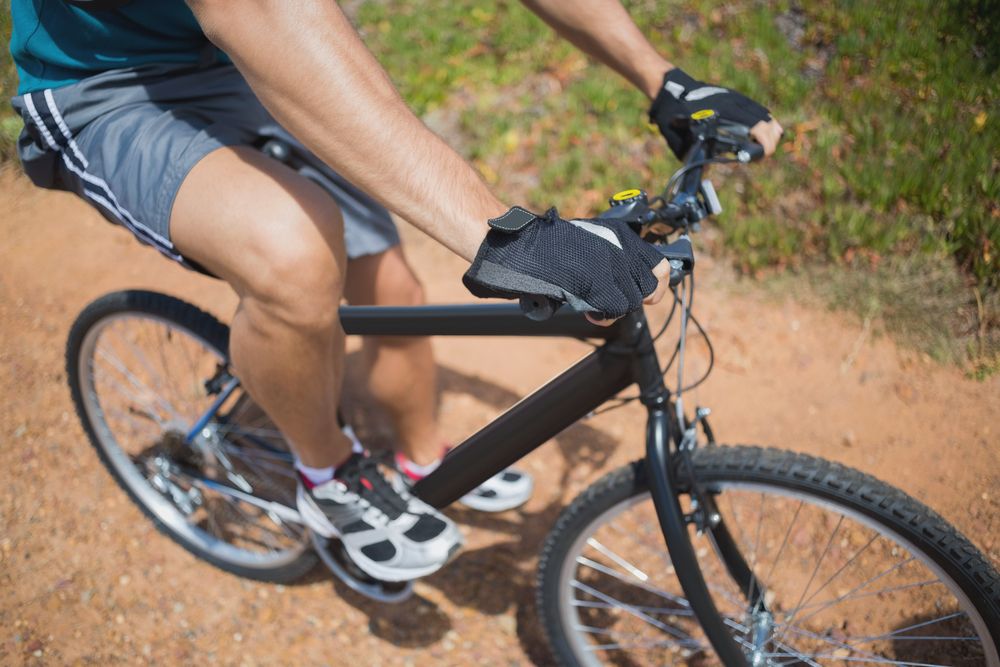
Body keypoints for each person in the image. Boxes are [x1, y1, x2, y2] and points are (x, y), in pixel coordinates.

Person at [8, 0, 782, 582]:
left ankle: (418, 463)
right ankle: (326, 472)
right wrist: (509, 236)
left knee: (393, 281)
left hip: (236, 58)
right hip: (106, 86)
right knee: (294, 255)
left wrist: (664, 78)